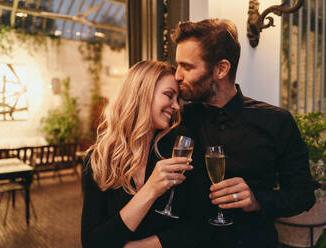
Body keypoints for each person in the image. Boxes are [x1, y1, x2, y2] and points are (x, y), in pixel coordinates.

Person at [171, 18, 317, 248]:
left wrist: (256, 199)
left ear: (221, 69)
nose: (177, 75)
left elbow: (304, 194)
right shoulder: (178, 118)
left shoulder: (277, 121)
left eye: (187, 66)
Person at [81, 60, 212, 248]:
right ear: (142, 93)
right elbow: (92, 243)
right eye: (169, 95)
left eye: (178, 99)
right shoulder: (99, 159)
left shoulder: (178, 150)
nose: (176, 106)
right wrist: (151, 189)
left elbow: (199, 226)